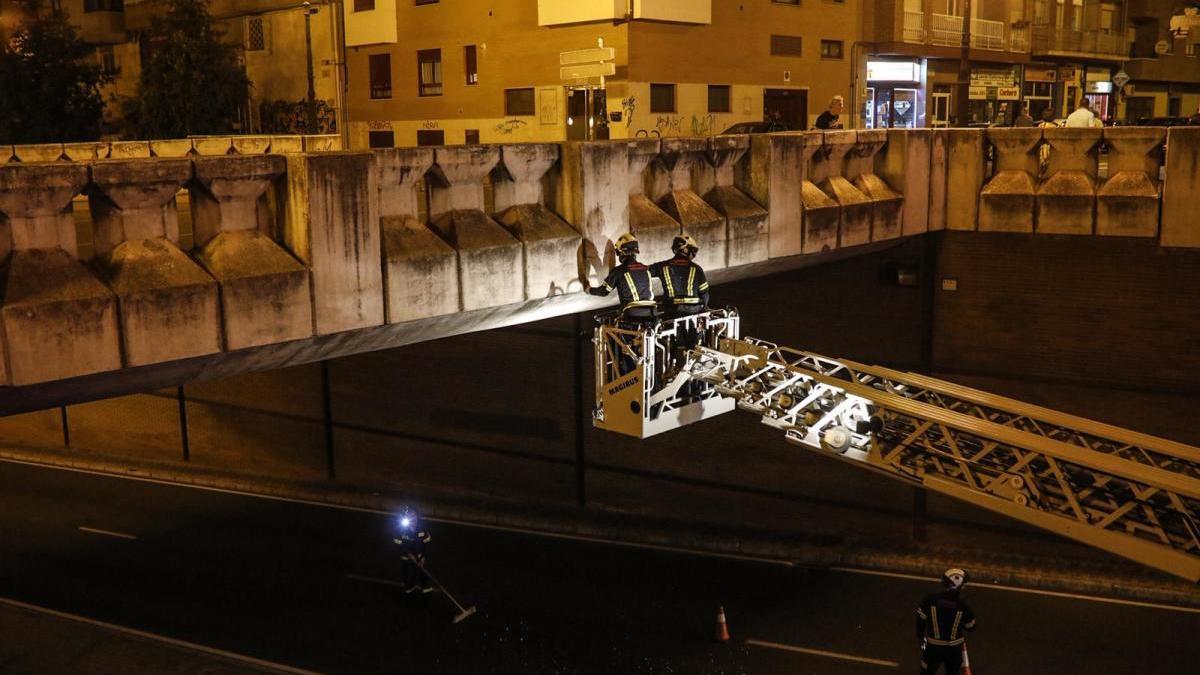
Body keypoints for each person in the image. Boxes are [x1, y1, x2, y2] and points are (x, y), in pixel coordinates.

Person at [916, 568, 977, 675]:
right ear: (959, 585)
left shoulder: (930, 599)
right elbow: (971, 627)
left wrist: (921, 638)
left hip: (933, 647)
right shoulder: (962, 605)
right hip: (954, 649)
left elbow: (920, 619)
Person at [587, 232, 657, 324]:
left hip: (632, 312)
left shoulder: (618, 271)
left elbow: (604, 291)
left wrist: (589, 290)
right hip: (652, 311)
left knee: (606, 322)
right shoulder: (646, 269)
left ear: (621, 252)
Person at [651, 234, 709, 318]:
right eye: (692, 250)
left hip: (673, 310)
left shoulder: (662, 266)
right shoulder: (697, 269)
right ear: (685, 249)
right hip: (694, 310)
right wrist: (704, 308)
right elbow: (704, 293)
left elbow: (643, 272)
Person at [394, 508, 433, 595]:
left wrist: (423, 557)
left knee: (424, 576)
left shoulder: (422, 528)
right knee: (409, 576)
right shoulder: (401, 529)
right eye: (409, 516)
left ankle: (426, 591)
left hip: (420, 558)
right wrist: (409, 554)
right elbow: (398, 544)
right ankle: (409, 591)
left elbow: (427, 544)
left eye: (413, 515)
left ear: (417, 516)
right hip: (406, 559)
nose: (412, 518)